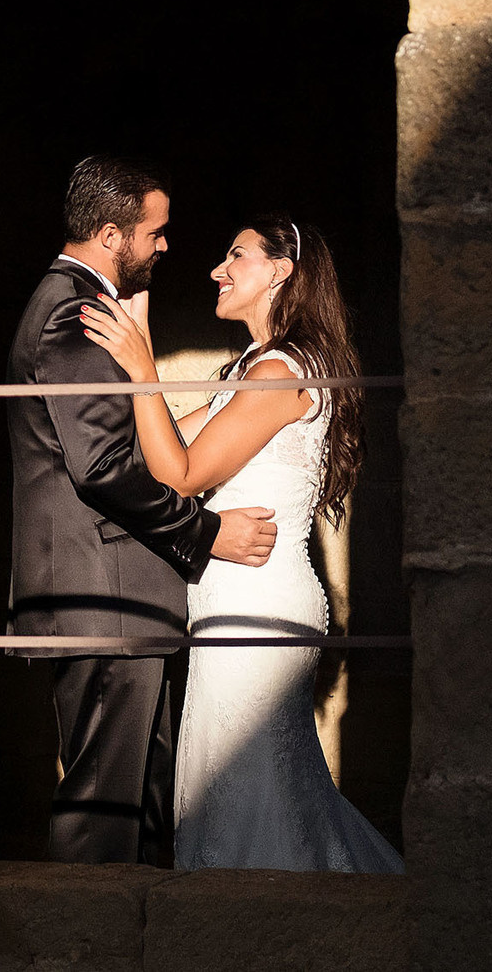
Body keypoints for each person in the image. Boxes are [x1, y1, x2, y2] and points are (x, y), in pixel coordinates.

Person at [80, 216, 404, 873]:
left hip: (258, 601)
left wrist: (145, 367)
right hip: (235, 597)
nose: (216, 269)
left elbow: (184, 473)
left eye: (236, 255)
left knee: (239, 797)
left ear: (282, 270)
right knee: (263, 795)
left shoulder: (283, 370)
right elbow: (163, 445)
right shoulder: (256, 366)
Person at [6, 156, 282, 865]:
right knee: (105, 811)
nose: (165, 246)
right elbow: (102, 466)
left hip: (122, 600)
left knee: (138, 810)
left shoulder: (89, 305)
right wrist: (209, 532)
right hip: (104, 598)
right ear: (109, 234)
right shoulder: (77, 314)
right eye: (153, 233)